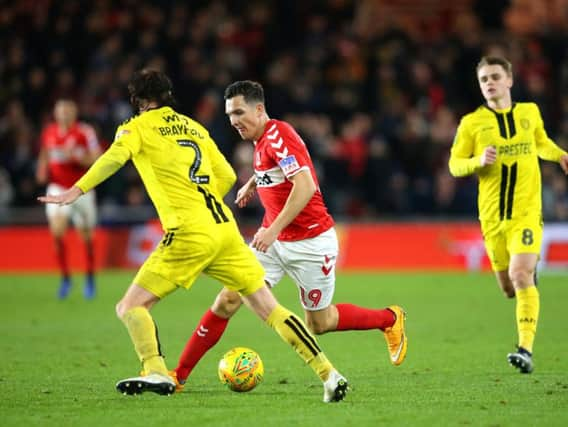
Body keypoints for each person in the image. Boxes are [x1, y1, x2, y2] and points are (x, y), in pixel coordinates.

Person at [38, 69, 349, 403]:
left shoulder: (135, 128)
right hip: (225, 229)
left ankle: (156, 370)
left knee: (130, 306)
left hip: (188, 231)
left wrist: (76, 189)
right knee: (269, 308)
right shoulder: (193, 127)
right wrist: (204, 198)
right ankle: (329, 374)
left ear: (140, 101)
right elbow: (228, 174)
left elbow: (113, 158)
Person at [173, 80, 407, 389]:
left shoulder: (279, 134)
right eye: (230, 115)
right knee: (228, 299)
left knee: (319, 323)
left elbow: (306, 185)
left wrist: (272, 229)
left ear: (259, 109)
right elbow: (280, 169)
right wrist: (255, 182)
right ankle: (177, 376)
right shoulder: (261, 141)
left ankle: (389, 319)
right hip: (272, 243)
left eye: (240, 112)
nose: (234, 121)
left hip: (311, 242)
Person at [449, 56, 568, 374]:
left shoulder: (529, 113)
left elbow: (540, 143)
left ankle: (525, 349)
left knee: (520, 275)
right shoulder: (471, 123)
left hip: (526, 213)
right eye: (484, 79)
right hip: (492, 219)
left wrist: (559, 155)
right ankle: (527, 276)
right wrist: (477, 161)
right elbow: (454, 164)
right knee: (508, 287)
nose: (489, 83)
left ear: (510, 80)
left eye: (495, 77)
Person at [36, 99, 101, 299]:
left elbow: (98, 157)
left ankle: (89, 276)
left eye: (67, 111)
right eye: (60, 111)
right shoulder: (49, 132)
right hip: (57, 188)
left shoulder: (84, 132)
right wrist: (41, 168)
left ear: (74, 113)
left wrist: (76, 157)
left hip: (82, 189)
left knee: (87, 237)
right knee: (57, 231)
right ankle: (65, 277)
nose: (63, 114)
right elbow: (45, 153)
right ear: (55, 114)